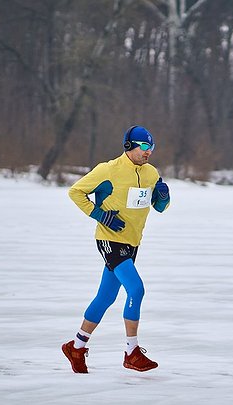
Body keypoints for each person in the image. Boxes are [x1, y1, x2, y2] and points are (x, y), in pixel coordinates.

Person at [62, 125, 170, 373]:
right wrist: (100, 215)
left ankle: (76, 346)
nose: (148, 152)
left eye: (151, 148)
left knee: (106, 297)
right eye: (144, 147)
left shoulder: (152, 173)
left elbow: (160, 207)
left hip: (132, 242)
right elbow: (75, 191)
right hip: (109, 239)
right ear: (129, 146)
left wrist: (163, 197)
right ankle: (132, 352)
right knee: (136, 288)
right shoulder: (108, 170)